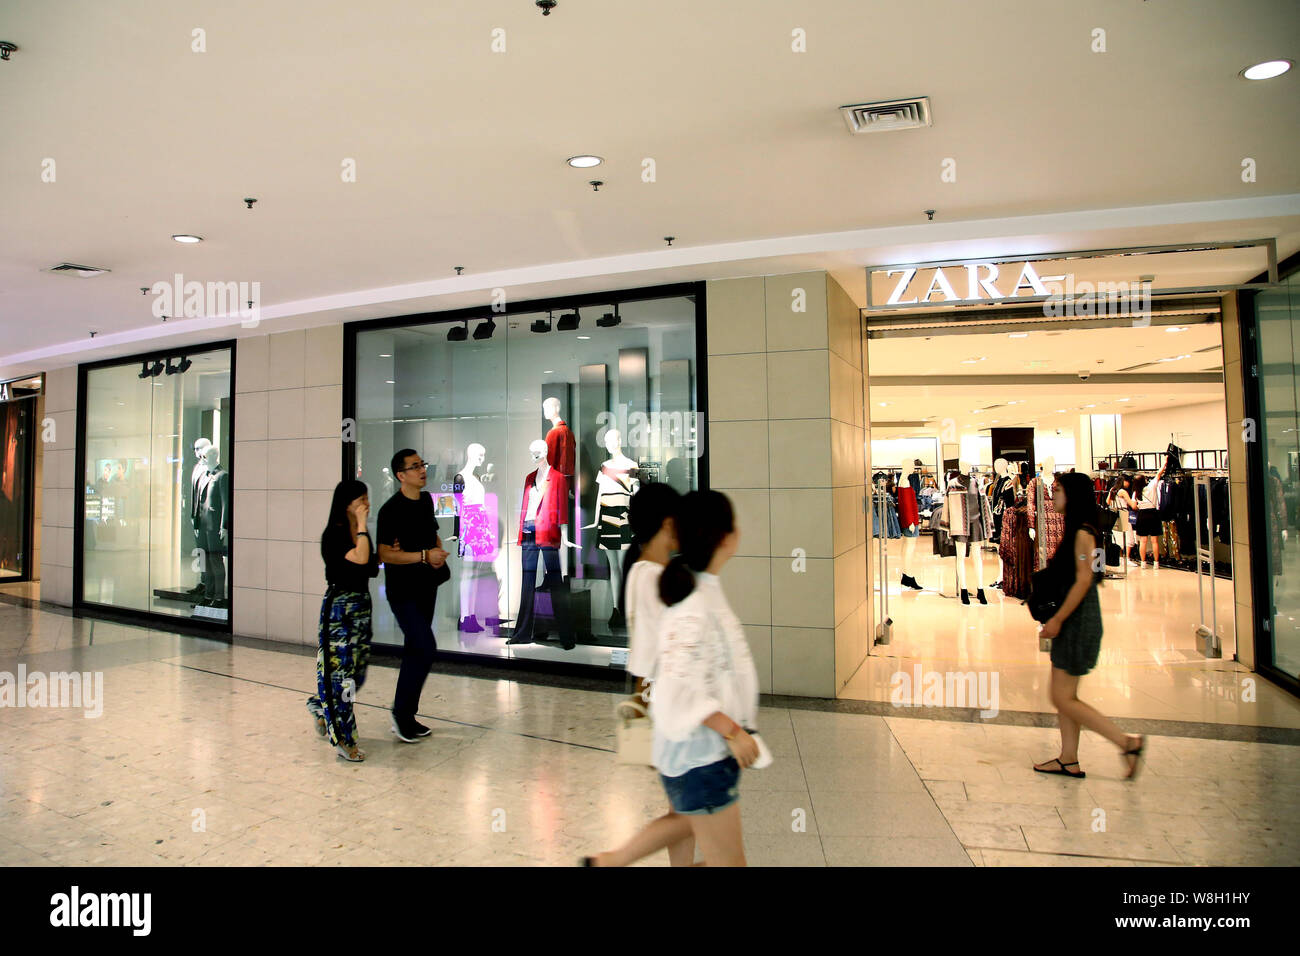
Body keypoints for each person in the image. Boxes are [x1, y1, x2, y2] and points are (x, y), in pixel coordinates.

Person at [584, 483, 692, 867]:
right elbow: (653, 653)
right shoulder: (651, 577)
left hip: (664, 702)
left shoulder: (648, 570)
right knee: (696, 809)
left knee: (684, 806)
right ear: (667, 522)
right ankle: (614, 859)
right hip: (672, 705)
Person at [651, 491, 759, 866]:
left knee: (702, 840)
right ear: (724, 537)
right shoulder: (696, 602)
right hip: (703, 757)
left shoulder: (703, 590)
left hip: (707, 755)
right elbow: (681, 686)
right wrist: (731, 729)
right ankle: (612, 858)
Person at [1033, 471, 1145, 780]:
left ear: (1073, 495)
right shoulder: (1084, 529)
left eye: (1057, 490)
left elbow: (1085, 581)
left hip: (1077, 619)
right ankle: (1068, 759)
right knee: (1065, 695)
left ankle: (1126, 743)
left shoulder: (1083, 532)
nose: (1052, 495)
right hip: (1080, 617)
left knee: (1061, 697)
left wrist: (1057, 619)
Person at [376, 449, 449, 743]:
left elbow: (432, 535)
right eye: (415, 466)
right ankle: (400, 712)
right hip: (402, 591)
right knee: (425, 646)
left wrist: (437, 553)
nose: (422, 470)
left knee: (416, 650)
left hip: (425, 586)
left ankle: (406, 715)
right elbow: (384, 554)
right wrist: (422, 555)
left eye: (423, 464)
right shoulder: (390, 510)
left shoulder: (426, 501)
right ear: (400, 475)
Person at [306, 480, 379, 762]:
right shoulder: (335, 534)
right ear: (346, 504)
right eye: (360, 500)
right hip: (340, 609)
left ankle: (319, 705)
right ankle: (344, 740)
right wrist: (362, 525)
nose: (366, 505)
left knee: (357, 672)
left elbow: (371, 566)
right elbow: (362, 559)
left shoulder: (360, 532)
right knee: (342, 677)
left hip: (361, 606)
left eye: (367, 499)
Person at [1135, 467, 1164, 565]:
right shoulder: (1151, 486)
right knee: (1154, 540)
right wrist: (1165, 462)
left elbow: (1134, 505)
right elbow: (1159, 473)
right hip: (1153, 514)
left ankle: (1143, 562)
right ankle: (1156, 563)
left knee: (1143, 541)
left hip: (1142, 515)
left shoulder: (1136, 492)